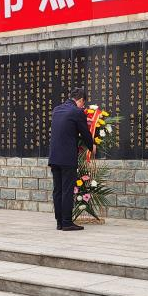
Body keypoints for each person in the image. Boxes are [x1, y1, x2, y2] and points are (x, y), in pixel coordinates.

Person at [48, 88, 97, 231]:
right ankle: (67, 222)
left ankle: (59, 222)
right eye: (83, 104)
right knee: (67, 190)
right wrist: (92, 146)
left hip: (54, 157)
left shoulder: (57, 110)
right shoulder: (77, 112)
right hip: (67, 158)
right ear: (80, 100)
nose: (83, 107)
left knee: (57, 190)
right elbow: (85, 133)